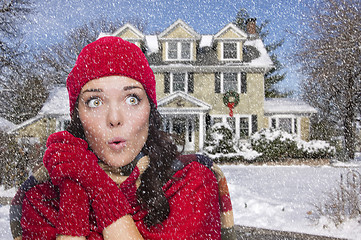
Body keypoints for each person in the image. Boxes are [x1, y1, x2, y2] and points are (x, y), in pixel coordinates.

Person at [10, 36, 235, 240]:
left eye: (132, 99)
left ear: (151, 111)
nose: (115, 118)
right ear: (78, 117)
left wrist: (98, 186)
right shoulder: (42, 197)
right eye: (95, 102)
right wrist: (74, 190)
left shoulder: (192, 181)